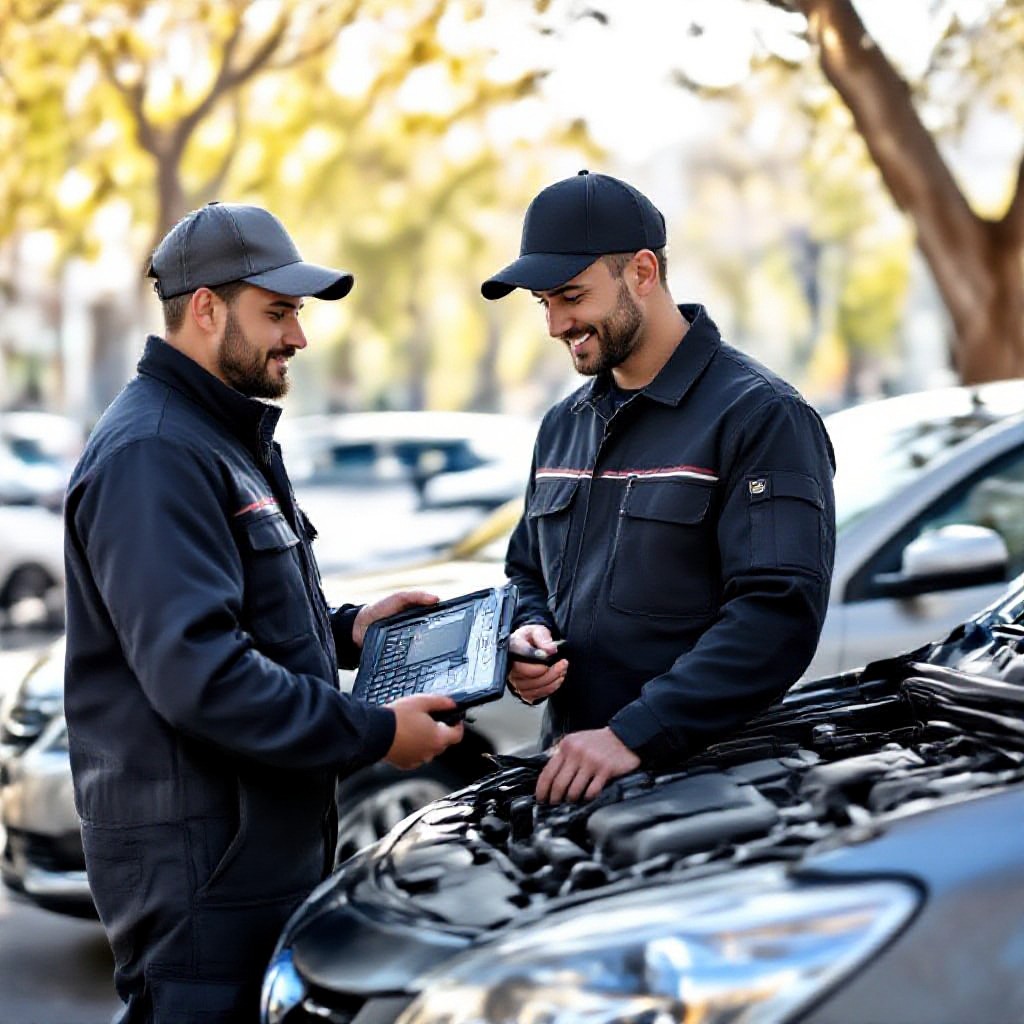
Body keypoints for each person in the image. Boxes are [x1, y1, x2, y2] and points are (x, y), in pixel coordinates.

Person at [63, 202, 464, 1023]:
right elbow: (202, 675)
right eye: (276, 313)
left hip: (248, 855)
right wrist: (377, 733)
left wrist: (348, 629)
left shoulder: (216, 437)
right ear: (205, 309)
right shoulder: (155, 453)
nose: (299, 337)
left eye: (297, 314)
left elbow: (246, 613)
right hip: (204, 877)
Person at [482, 170, 836, 806]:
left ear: (642, 272)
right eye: (544, 303)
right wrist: (527, 639)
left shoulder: (761, 416)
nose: (556, 324)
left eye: (571, 296)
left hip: (711, 797)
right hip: (572, 786)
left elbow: (776, 616)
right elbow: (527, 573)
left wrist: (632, 735)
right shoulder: (563, 425)